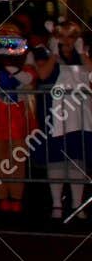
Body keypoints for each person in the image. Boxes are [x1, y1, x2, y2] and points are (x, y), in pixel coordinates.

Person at [0, 24, 36, 214]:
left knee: (18, 158)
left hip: (18, 112)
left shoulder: (26, 56)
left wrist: (11, 68)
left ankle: (16, 198)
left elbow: (29, 79)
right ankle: (2, 197)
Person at [33, 24, 90, 221]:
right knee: (55, 158)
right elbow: (43, 74)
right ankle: (57, 204)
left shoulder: (82, 53)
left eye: (71, 36)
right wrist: (54, 55)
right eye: (63, 36)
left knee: (78, 159)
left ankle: (77, 204)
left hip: (80, 115)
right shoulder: (44, 52)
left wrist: (83, 53)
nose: (67, 40)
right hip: (54, 114)